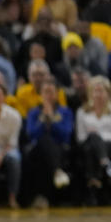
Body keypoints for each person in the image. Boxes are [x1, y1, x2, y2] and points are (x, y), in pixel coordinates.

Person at [23, 79, 74, 209]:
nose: (48, 96)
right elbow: (31, 134)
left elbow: (65, 134)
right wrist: (42, 120)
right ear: (41, 94)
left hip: (60, 148)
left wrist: (51, 117)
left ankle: (43, 197)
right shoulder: (34, 112)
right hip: (37, 149)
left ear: (57, 94)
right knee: (44, 141)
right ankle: (57, 171)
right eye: (46, 92)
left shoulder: (65, 112)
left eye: (51, 92)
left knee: (47, 147)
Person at [75, 76, 111, 200]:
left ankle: (93, 183)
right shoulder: (82, 112)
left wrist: (98, 137)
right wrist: (95, 138)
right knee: (91, 141)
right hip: (87, 145)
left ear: (108, 93)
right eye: (96, 90)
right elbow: (81, 137)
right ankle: (105, 164)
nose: (98, 94)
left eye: (101, 91)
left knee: (93, 142)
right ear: (90, 93)